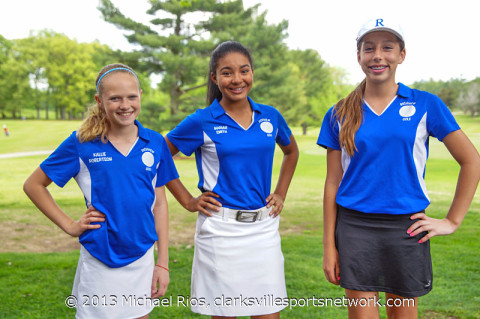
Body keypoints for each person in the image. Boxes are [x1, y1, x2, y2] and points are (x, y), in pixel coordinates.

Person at [317, 18, 480, 318]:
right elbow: (331, 184)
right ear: (359, 56)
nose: (378, 55)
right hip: (355, 229)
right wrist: (330, 246)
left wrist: (452, 221)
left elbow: (472, 160)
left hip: (406, 229)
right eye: (369, 48)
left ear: (401, 55)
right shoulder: (339, 112)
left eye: (387, 47)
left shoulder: (425, 104)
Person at [23, 63, 179, 319]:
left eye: (131, 96)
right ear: (100, 100)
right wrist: (70, 226)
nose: (125, 105)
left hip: (142, 255)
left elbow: (159, 204)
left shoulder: (155, 142)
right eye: (114, 98)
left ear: (140, 94)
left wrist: (163, 261)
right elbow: (33, 185)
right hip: (100, 256)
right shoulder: (81, 143)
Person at [165, 41, 299, 318]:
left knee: (268, 313)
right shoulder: (202, 121)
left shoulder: (270, 116)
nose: (237, 79)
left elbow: (291, 151)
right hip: (220, 231)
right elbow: (158, 156)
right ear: (214, 78)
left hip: (264, 230)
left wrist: (281, 192)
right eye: (227, 73)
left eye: (244, 71)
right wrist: (187, 200)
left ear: (252, 73)